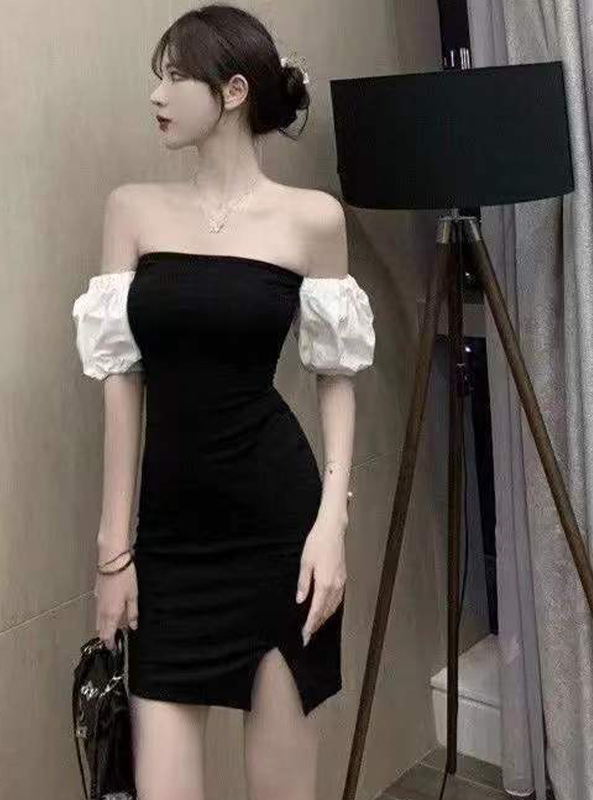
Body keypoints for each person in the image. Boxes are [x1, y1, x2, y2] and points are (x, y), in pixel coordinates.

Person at [71, 5, 375, 799]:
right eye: (158, 76)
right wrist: (114, 553)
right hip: (171, 548)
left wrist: (332, 525)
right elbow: (121, 383)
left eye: (175, 76)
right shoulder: (131, 210)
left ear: (233, 91)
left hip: (280, 535)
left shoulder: (312, 219)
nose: (157, 95)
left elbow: (335, 376)